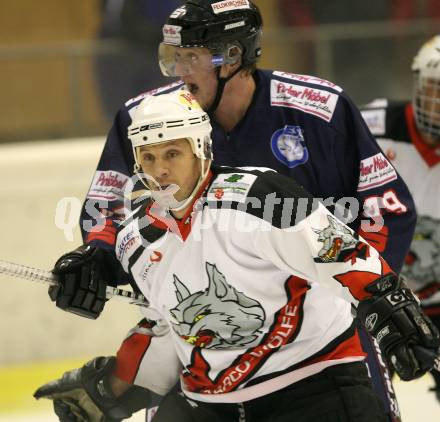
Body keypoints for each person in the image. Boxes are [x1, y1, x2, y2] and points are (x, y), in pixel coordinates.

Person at [37, 1, 419, 421]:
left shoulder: (320, 110)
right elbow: (106, 205)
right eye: (174, 59)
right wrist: (97, 256)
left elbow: (386, 207)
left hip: (323, 332)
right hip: (217, 335)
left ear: (233, 57)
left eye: (192, 58)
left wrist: (360, 294)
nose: (179, 72)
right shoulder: (147, 120)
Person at [360, 34, 440, 401]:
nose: (439, 103)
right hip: (376, 296)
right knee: (365, 394)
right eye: (433, 90)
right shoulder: (373, 127)